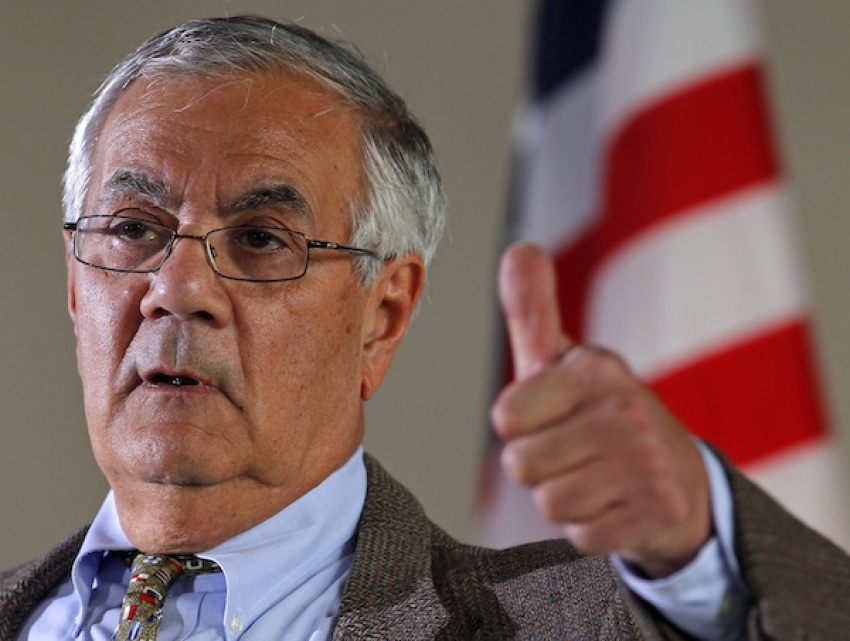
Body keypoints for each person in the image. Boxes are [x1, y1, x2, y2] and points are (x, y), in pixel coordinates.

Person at [1, 14, 848, 640]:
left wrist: (701, 539)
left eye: (261, 240)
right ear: (77, 285)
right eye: (134, 230)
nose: (175, 289)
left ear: (383, 314)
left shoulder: (578, 624)